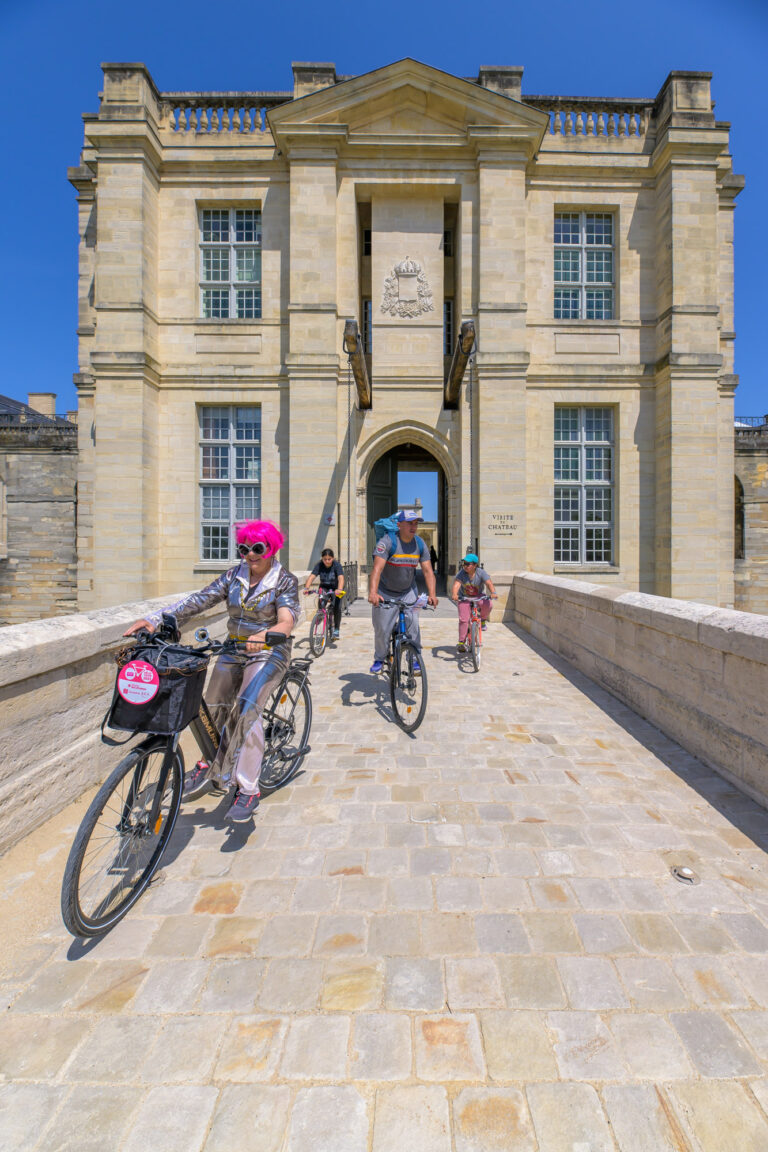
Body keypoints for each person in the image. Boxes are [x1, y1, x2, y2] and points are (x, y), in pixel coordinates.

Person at [123, 520, 299, 823]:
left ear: (272, 549)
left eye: (258, 549)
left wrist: (268, 634)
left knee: (247, 710)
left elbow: (287, 619)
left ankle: (247, 788)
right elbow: (199, 600)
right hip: (234, 647)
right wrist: (154, 619)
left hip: (270, 649)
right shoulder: (234, 576)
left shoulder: (284, 580)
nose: (250, 555)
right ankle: (212, 759)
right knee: (211, 704)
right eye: (244, 549)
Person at [367, 509, 438, 674]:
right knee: (382, 629)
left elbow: (428, 571)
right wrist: (373, 593)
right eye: (409, 523)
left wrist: (432, 594)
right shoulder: (387, 542)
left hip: (408, 591)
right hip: (385, 591)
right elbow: (377, 569)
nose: (414, 527)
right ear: (399, 525)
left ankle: (413, 660)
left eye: (416, 523)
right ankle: (379, 657)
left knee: (413, 625)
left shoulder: (420, 544)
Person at [451, 553, 498, 652]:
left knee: (488, 604)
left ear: (475, 565)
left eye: (468, 564)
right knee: (464, 620)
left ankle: (483, 620)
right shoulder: (461, 573)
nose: (465, 566)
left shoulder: (481, 573)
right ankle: (461, 642)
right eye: (464, 563)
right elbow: (457, 584)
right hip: (464, 597)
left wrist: (493, 592)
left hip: (478, 596)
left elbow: (489, 583)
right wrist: (455, 594)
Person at [304, 548, 345, 638]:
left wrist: (339, 589)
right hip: (325, 587)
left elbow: (341, 578)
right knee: (321, 604)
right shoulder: (319, 565)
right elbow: (311, 577)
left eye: (329, 559)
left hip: (336, 588)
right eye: (325, 559)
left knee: (337, 607)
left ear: (333, 558)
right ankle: (321, 616)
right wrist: (306, 588)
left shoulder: (337, 565)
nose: (327, 561)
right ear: (322, 559)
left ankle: (336, 629)